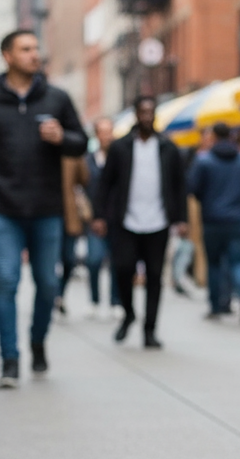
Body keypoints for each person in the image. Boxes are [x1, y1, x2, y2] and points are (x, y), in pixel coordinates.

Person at [0, 29, 87, 386]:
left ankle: (37, 342)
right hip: (5, 210)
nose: (35, 54)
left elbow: (81, 143)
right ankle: (10, 356)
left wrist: (61, 138)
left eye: (36, 48)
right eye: (26, 49)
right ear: (7, 56)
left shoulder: (57, 98)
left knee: (48, 284)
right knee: (5, 281)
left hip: (47, 208)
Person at [92, 96, 187, 349]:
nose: (147, 116)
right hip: (126, 221)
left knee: (155, 277)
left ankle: (150, 329)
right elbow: (105, 184)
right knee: (123, 270)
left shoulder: (168, 147)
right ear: (135, 114)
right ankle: (129, 313)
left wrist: (181, 219)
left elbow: (179, 186)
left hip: (158, 222)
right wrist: (99, 215)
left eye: (151, 112)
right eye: (142, 112)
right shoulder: (120, 147)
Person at [188, 122, 240, 323]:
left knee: (214, 264)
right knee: (237, 262)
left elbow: (193, 187)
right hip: (237, 220)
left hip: (212, 220)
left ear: (213, 136)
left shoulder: (204, 161)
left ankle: (216, 306)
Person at [85, 117, 120, 313]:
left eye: (110, 131)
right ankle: (95, 300)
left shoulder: (120, 158)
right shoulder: (88, 160)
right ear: (96, 135)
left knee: (117, 261)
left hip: (116, 218)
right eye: (103, 132)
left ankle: (115, 301)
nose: (107, 136)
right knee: (94, 260)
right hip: (95, 219)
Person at [56, 154, 90, 314]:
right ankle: (49, 295)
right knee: (46, 263)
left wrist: (77, 154)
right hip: (45, 213)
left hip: (69, 216)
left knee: (69, 259)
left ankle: (59, 295)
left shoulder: (71, 152)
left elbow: (84, 178)